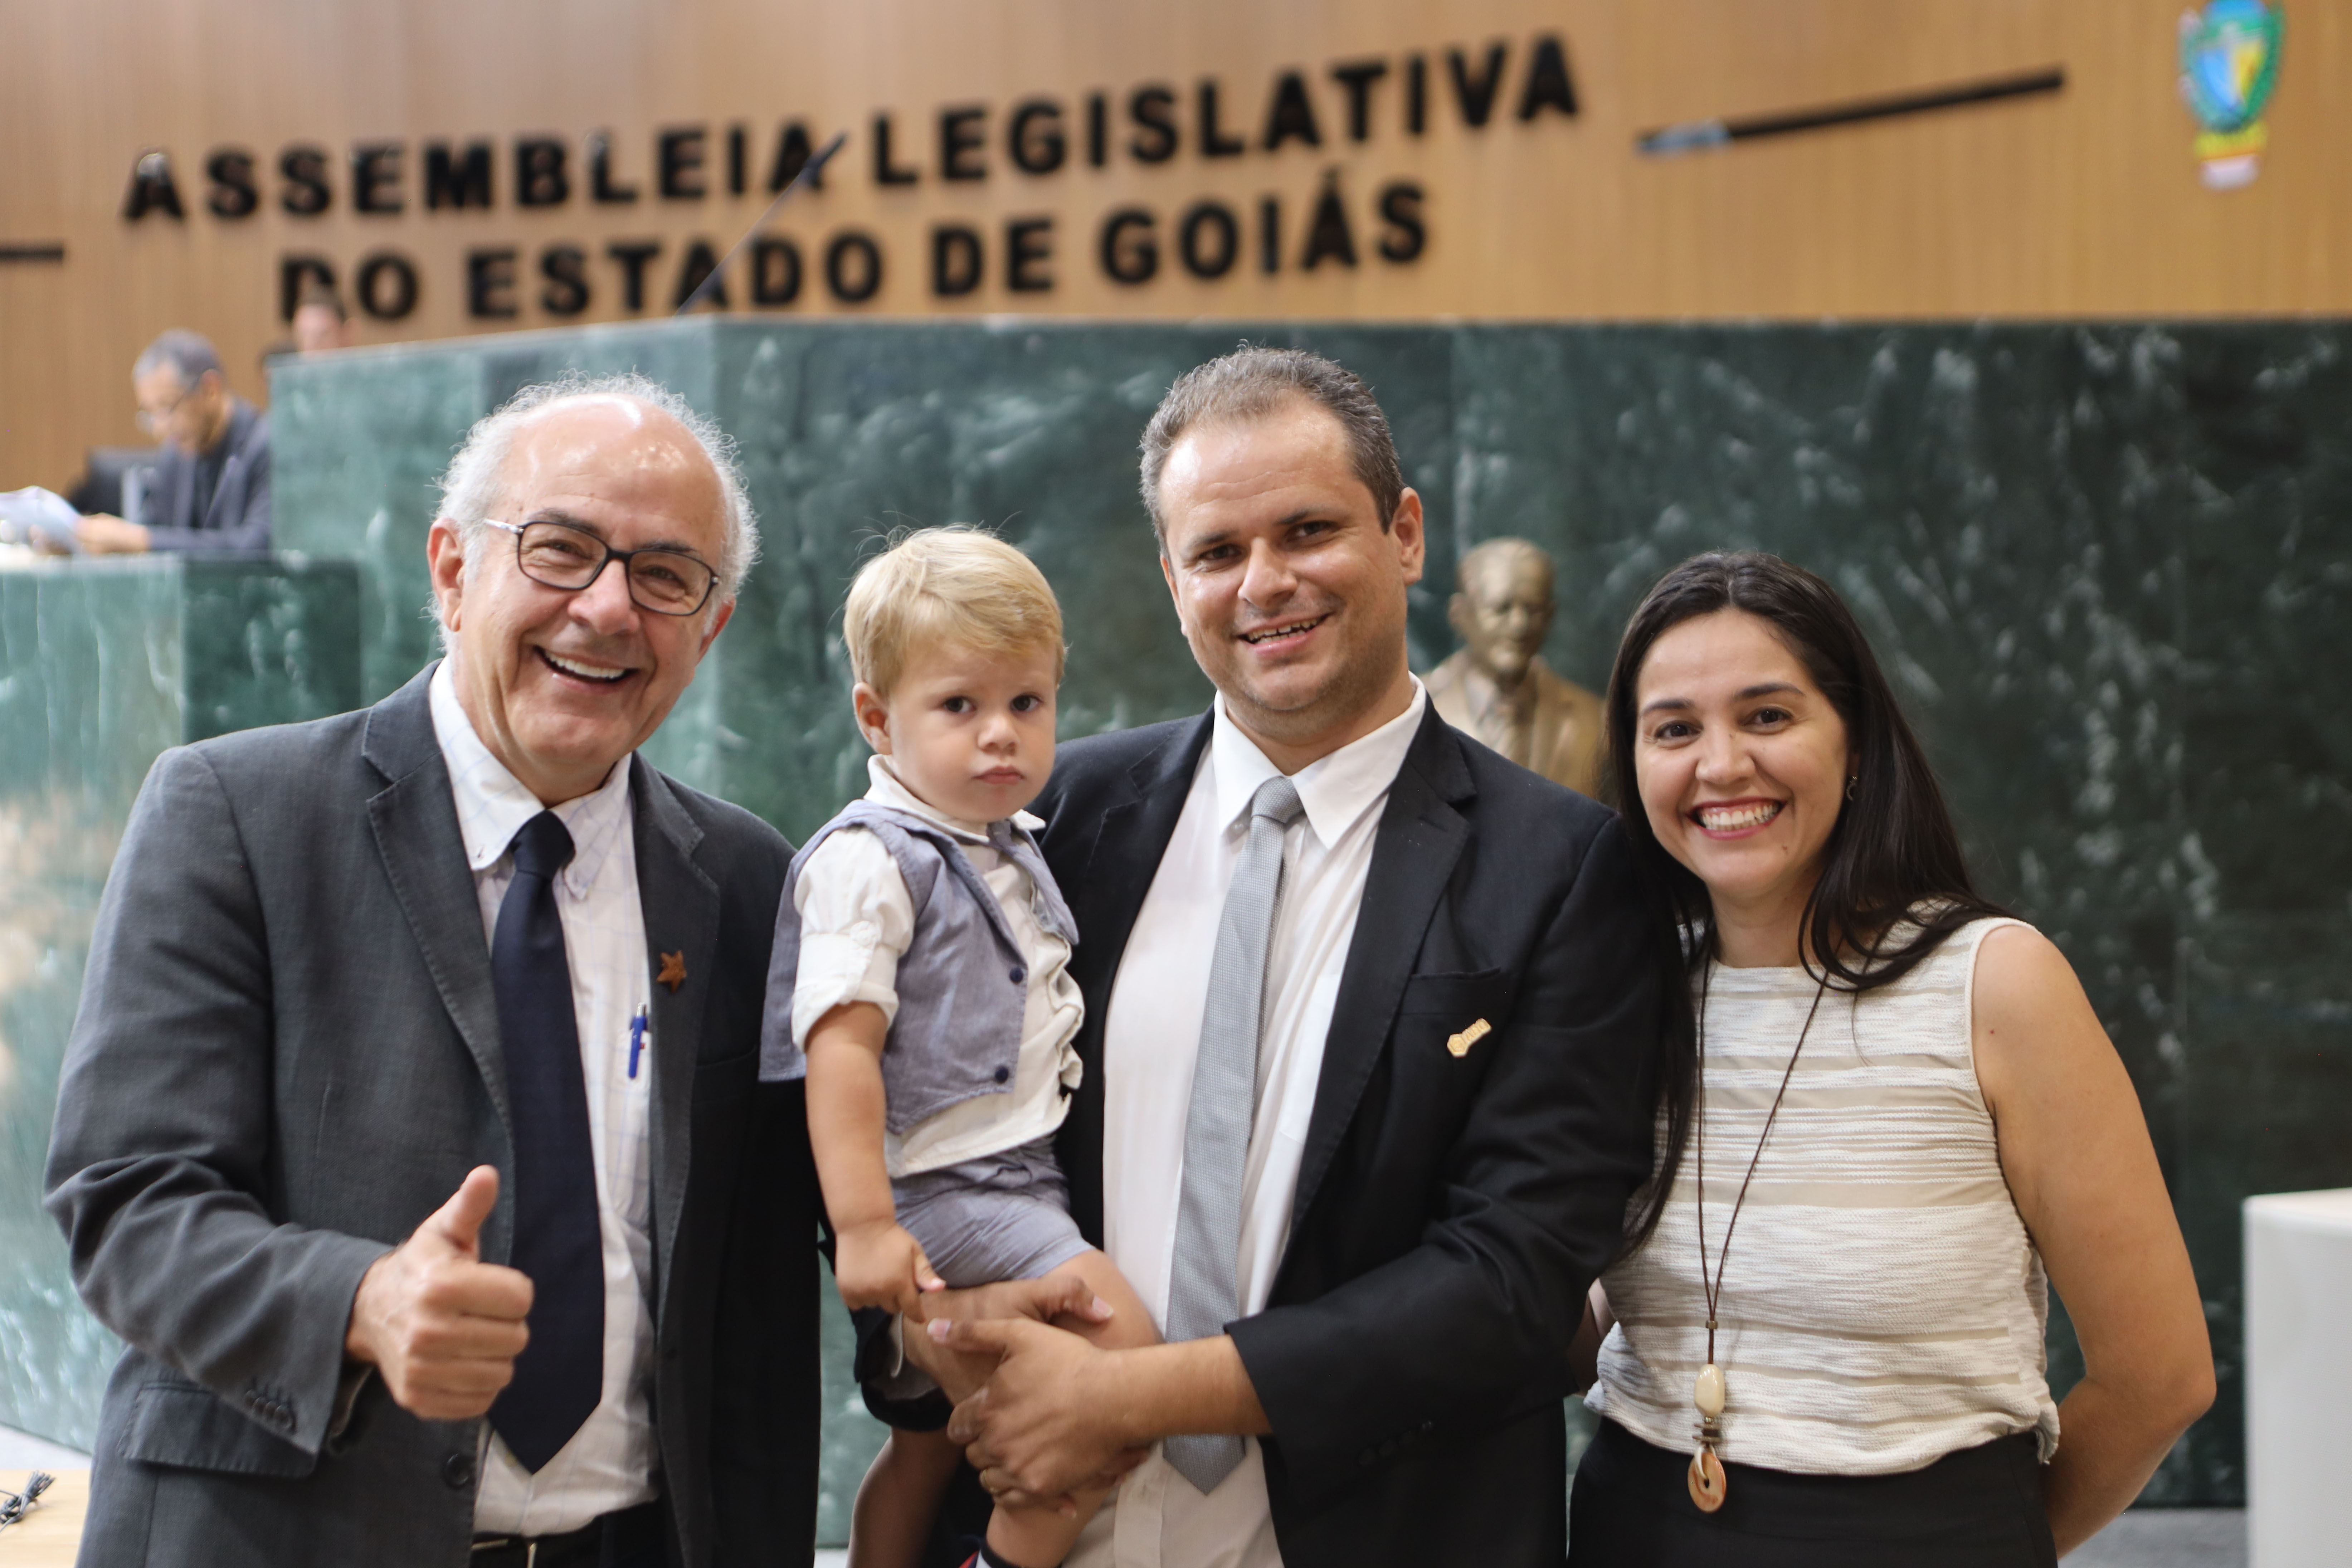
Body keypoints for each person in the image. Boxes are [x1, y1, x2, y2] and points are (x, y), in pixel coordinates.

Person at [885, 346, 1668, 1568]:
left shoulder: (1565, 865)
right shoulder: (1046, 823)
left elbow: (1511, 1280)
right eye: (1217, 551)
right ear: (1172, 579)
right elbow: (916, 1122)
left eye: (1307, 530)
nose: (1264, 583)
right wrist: (942, 1334)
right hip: (1039, 1526)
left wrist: (1131, 1395)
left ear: (1404, 534)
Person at [44, 374, 824, 1567]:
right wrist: (359, 1303)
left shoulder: (748, 877)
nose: (608, 608)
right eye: (560, 549)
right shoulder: (235, 813)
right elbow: (127, 1201)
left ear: (709, 629)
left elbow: (764, 1287)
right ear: (453, 570)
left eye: (667, 576)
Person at [1569, 551, 2214, 1565]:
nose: (1721, 764)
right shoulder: (1624, 991)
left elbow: (2160, 1376)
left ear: (1858, 742)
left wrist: (1987, 1542)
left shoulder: (1995, 984)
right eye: (1674, 729)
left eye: (1767, 715)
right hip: (1634, 1531)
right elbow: (1625, 1307)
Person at [765, 528, 1159, 1568]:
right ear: (875, 718)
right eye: (958, 706)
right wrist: (864, 1225)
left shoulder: (1004, 843)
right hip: (947, 1185)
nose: (1000, 735)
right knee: (1123, 1355)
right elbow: (839, 1047)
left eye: (1027, 702)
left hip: (1008, 1172)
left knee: (927, 1442)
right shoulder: (869, 860)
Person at [46, 330, 273, 555]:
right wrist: (81, 540)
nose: (160, 429)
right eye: (151, 414)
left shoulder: (267, 447)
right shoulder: (176, 455)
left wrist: (142, 540)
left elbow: (256, 546)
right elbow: (152, 530)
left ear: (210, 390)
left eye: (167, 408)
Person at [1426, 536, 1608, 797]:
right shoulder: (1413, 708)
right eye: (1501, 609)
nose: (1519, 625)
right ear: (1460, 614)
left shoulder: (1597, 720)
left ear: (1550, 616)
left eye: (1533, 609)